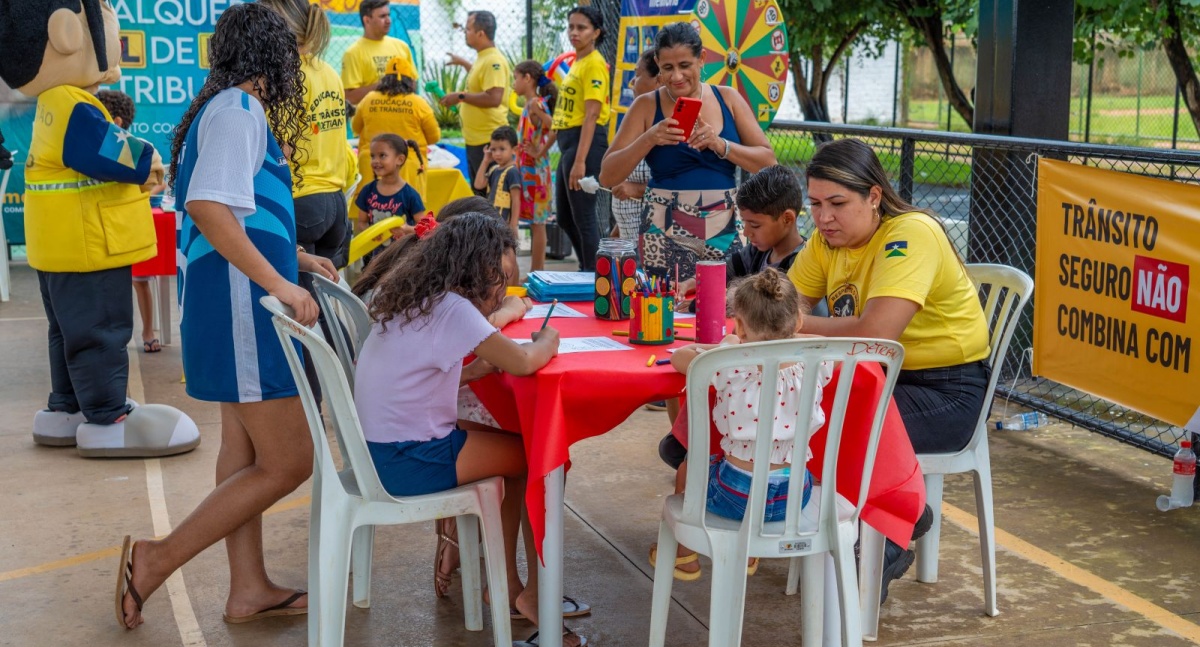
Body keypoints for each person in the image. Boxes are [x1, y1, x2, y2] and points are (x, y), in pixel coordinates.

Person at [116, 4, 340, 629]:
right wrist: (279, 283)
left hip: (234, 303)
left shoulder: (227, 111)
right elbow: (210, 207)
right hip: (246, 309)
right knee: (292, 460)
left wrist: (293, 257)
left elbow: (236, 214)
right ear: (275, 57)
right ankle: (154, 561)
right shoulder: (241, 111)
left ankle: (248, 589)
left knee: (242, 456)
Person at [355, 214, 586, 647]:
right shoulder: (454, 309)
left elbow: (413, 375)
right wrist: (549, 338)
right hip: (408, 461)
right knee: (544, 458)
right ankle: (530, 593)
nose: (500, 288)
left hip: (381, 451)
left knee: (520, 451)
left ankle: (512, 586)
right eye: (498, 277)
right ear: (474, 267)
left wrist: (474, 370)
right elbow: (525, 362)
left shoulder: (417, 296)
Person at [788, 137, 985, 602]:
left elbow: (878, 332)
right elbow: (783, 303)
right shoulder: (825, 240)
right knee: (796, 415)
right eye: (814, 204)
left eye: (838, 203)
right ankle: (903, 512)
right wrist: (781, 318)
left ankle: (895, 526)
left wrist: (792, 325)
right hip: (874, 382)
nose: (823, 217)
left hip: (945, 393)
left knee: (824, 429)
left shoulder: (910, 232)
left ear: (874, 196)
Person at [3, 0, 199, 457]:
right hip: (89, 247)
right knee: (101, 332)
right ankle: (108, 417)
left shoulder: (52, 103)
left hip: (60, 248)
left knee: (67, 333)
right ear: (68, 34)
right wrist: (151, 158)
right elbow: (112, 153)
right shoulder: (75, 105)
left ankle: (66, 408)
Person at [648, 269, 833, 579]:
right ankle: (748, 554)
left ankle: (684, 556)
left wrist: (726, 346)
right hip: (794, 496)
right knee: (784, 470)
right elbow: (820, 340)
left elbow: (682, 357)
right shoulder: (816, 360)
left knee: (689, 467)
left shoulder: (730, 364)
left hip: (736, 496)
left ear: (740, 326)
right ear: (798, 322)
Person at [658, 164, 814, 468]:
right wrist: (693, 283)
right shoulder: (761, 250)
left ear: (787, 219)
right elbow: (730, 270)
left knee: (682, 448)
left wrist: (695, 308)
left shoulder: (802, 267)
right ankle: (686, 440)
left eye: (754, 225)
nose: (746, 232)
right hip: (749, 383)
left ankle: (697, 454)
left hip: (761, 402)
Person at [599, 22, 776, 283]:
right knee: (664, 309)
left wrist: (721, 145)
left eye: (685, 66)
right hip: (663, 224)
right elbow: (607, 176)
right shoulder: (647, 106)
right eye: (668, 68)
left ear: (701, 59)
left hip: (723, 222)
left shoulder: (727, 98)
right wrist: (649, 138)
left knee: (721, 308)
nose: (677, 77)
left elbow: (769, 162)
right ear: (657, 63)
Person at [261, 0, 351, 270]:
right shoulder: (327, 71)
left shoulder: (287, 74)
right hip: (335, 201)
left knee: (298, 306)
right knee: (322, 304)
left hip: (302, 201)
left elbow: (282, 148)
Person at [95, 88, 162, 354]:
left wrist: (139, 195)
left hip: (129, 225)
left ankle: (147, 330)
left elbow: (155, 182)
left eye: (99, 116)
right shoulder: (95, 148)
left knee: (140, 280)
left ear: (117, 122)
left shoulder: (126, 146)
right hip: (104, 226)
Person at [550, 6, 611, 272]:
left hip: (584, 144)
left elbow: (592, 114)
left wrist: (580, 161)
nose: (574, 32)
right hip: (569, 144)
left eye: (582, 28)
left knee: (584, 217)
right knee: (564, 217)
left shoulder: (595, 63)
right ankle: (588, 267)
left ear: (596, 32)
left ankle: (595, 276)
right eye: (571, 27)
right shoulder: (579, 61)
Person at [351, 54, 440, 202]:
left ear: (385, 79)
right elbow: (434, 137)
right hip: (407, 168)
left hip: (372, 168)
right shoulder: (418, 103)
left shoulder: (369, 99)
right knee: (407, 218)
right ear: (410, 80)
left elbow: (355, 127)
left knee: (369, 216)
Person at [441, 10, 511, 183]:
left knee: (490, 196)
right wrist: (464, 63)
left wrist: (460, 96)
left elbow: (494, 98)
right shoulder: (483, 58)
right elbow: (480, 81)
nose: (465, 33)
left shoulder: (493, 61)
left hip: (489, 142)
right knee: (480, 194)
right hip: (477, 140)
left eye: (468, 29)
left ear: (481, 33)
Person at [513, 60, 557, 271]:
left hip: (536, 173)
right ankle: (534, 272)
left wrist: (540, 151)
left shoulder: (535, 104)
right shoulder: (529, 104)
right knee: (534, 224)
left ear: (527, 78)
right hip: (527, 171)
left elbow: (554, 126)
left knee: (538, 225)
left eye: (516, 78)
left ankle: (536, 272)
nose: (513, 83)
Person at [610, 48, 657, 242]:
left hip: (653, 243)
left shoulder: (667, 129)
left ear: (659, 80)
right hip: (628, 239)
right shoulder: (635, 123)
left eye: (637, 75)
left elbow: (681, 190)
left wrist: (637, 189)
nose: (631, 83)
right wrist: (617, 232)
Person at [356, 134, 426, 265]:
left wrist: (406, 229)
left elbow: (425, 228)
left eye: (382, 155)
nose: (375, 161)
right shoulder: (368, 191)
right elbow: (361, 222)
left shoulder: (410, 195)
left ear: (399, 159)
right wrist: (370, 233)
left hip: (402, 261)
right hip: (374, 261)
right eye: (372, 156)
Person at [341, 0, 416, 106]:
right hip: (370, 120)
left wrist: (401, 85)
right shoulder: (353, 53)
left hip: (401, 118)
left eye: (388, 15)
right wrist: (383, 85)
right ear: (367, 20)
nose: (388, 20)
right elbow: (349, 97)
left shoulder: (402, 47)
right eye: (382, 16)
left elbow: (413, 83)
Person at [473, 126, 522, 237]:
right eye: (493, 150)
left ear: (514, 150)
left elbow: (516, 200)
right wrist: (485, 161)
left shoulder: (512, 172)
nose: (497, 154)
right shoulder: (494, 169)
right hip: (492, 221)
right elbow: (478, 184)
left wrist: (513, 225)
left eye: (502, 149)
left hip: (504, 224)